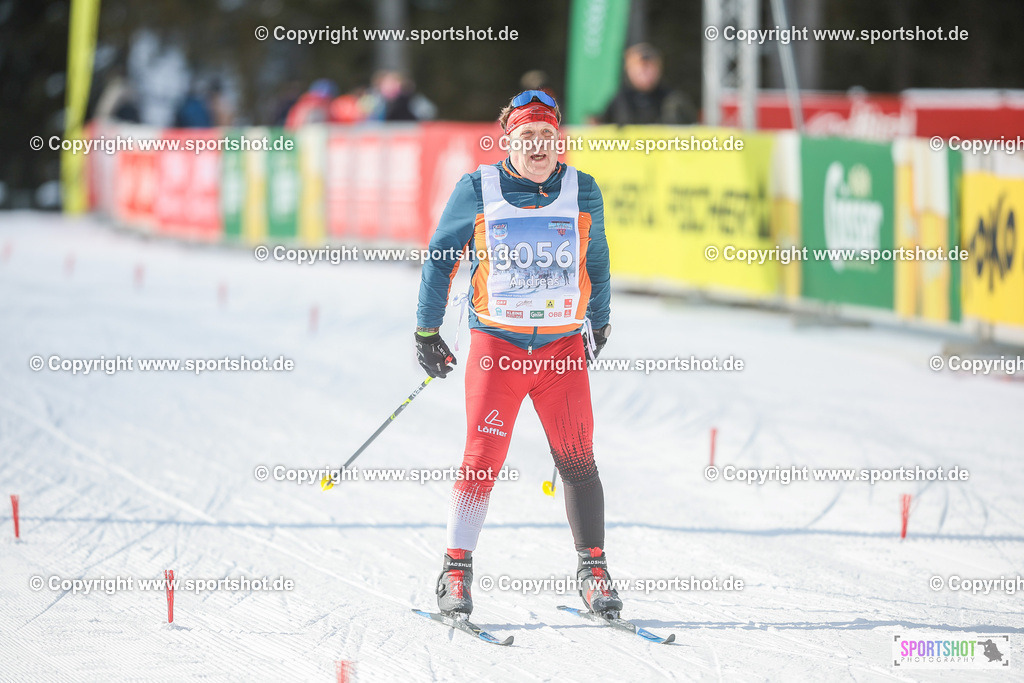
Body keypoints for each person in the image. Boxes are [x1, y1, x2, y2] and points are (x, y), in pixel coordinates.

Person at [415, 90, 619, 619]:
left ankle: (594, 570)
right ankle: (455, 571)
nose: (538, 146)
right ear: (508, 141)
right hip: (497, 348)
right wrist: (427, 330)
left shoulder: (583, 189)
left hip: (560, 350)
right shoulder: (477, 187)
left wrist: (599, 321)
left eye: (547, 136)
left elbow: (597, 259)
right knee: (482, 459)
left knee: (578, 459)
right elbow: (440, 259)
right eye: (527, 136)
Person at [599, 43, 697, 125]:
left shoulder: (675, 102)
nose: (644, 75)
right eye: (639, 70)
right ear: (628, 70)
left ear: (659, 69)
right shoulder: (618, 102)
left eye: (649, 69)